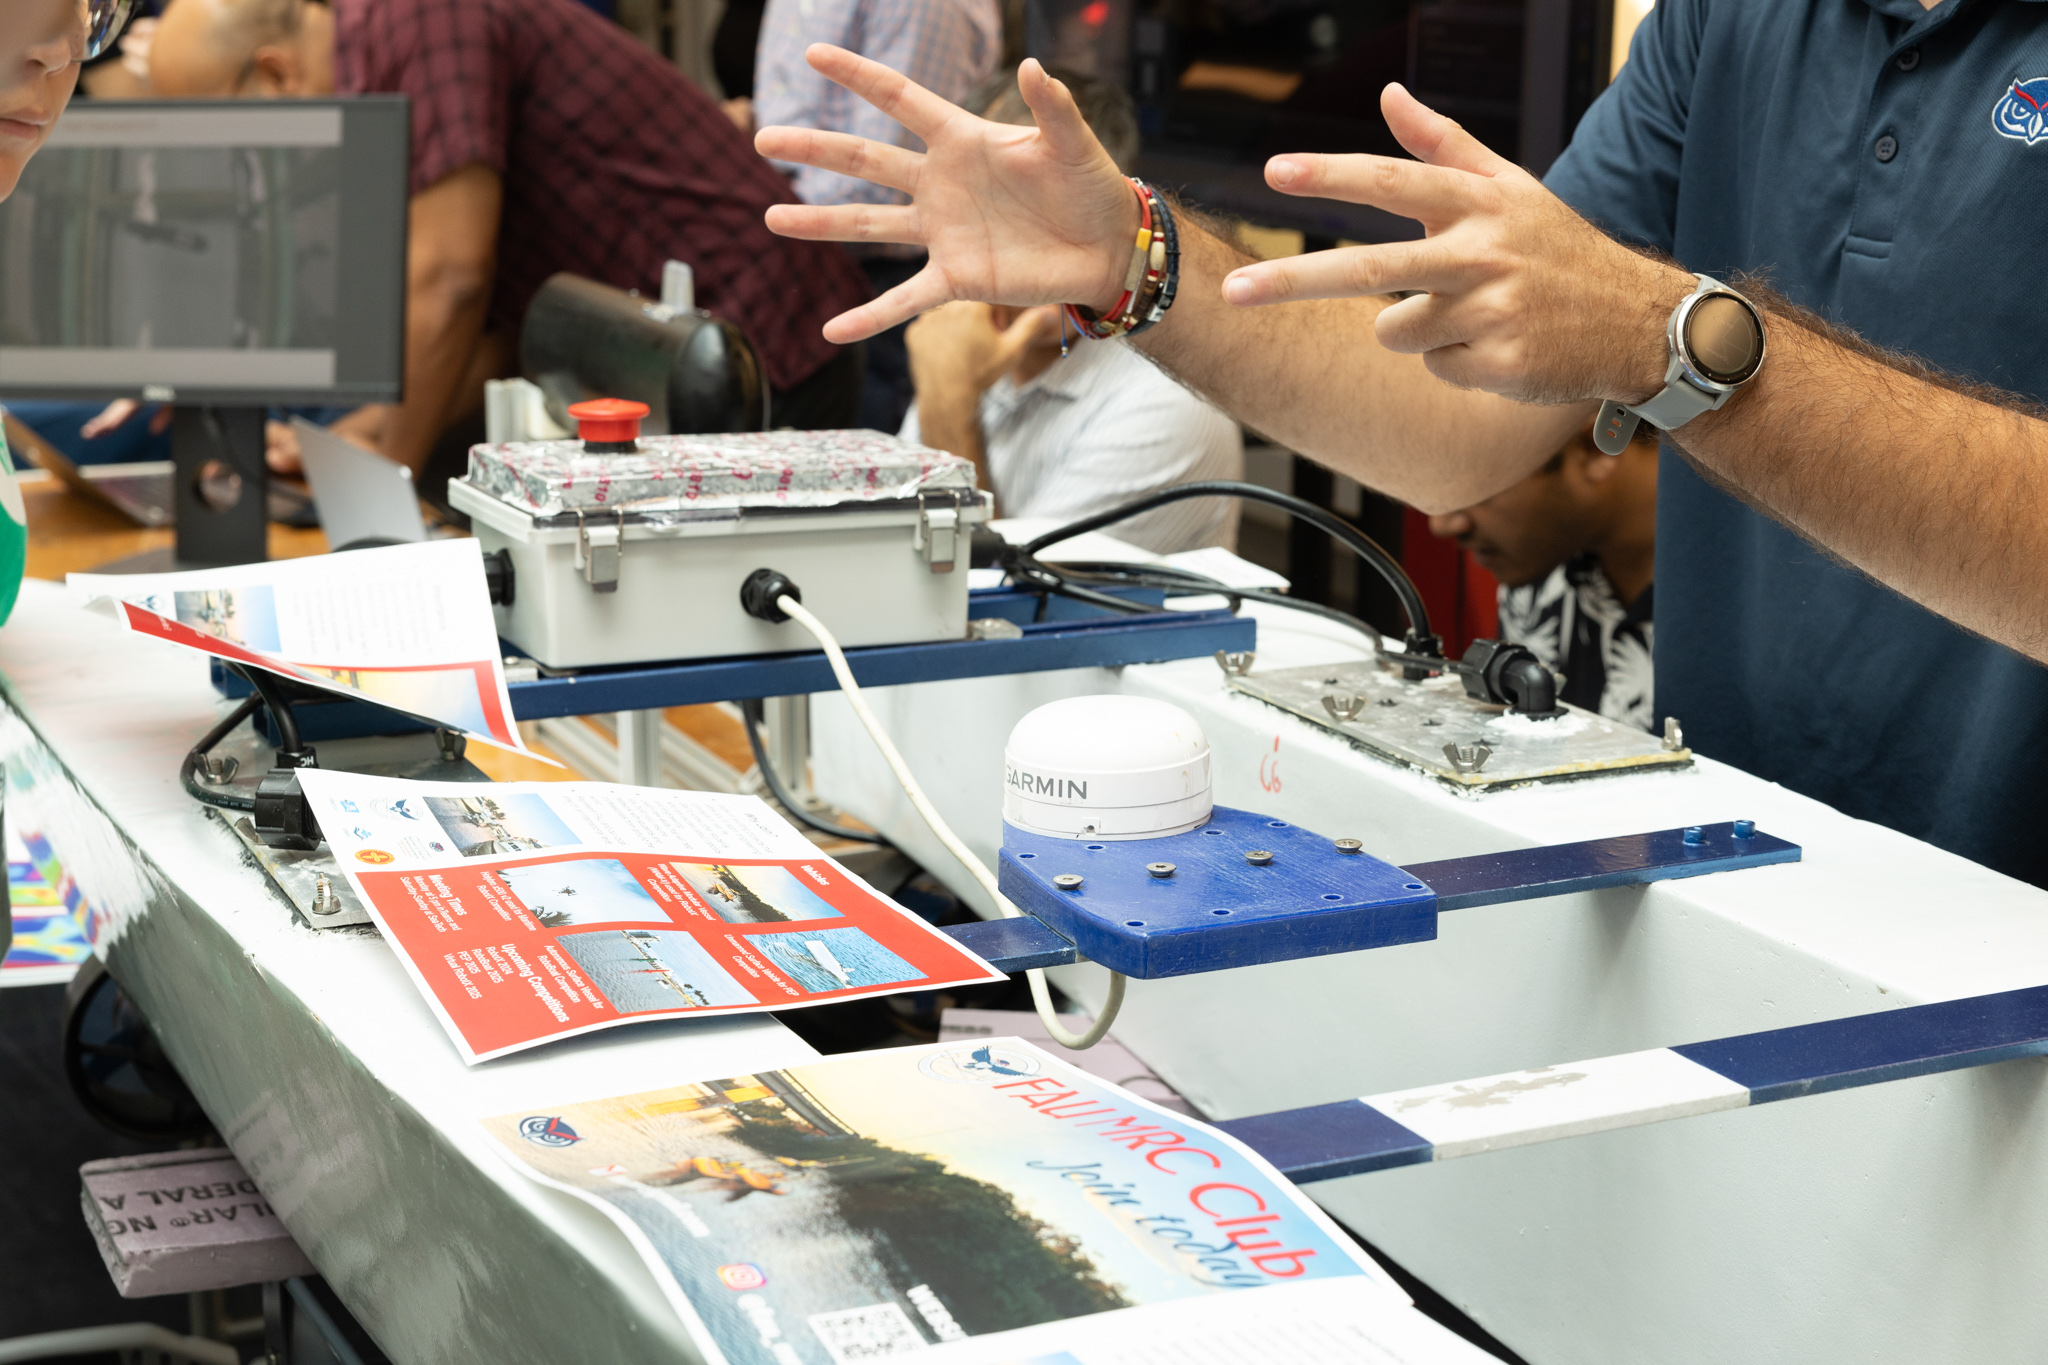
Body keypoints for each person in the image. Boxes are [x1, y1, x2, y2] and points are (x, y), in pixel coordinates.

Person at [752, 15, 2048, 890]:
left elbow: (1638, 335)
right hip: (1751, 862)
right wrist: (1136, 258)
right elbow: (1457, 429)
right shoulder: (1728, 23)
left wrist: (1675, 350)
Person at [145, 0, 872, 493]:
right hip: (671, 354)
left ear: (276, 73)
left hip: (759, 338)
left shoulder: (421, 17)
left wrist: (378, 486)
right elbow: (493, 327)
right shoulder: (378, 74)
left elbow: (452, 280)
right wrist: (355, 437)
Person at [900, 68, 1240, 553]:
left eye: (1034, 205)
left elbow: (1012, 597)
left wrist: (948, 402)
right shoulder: (973, 340)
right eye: (984, 200)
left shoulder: (1166, 404)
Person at [753, 0, 1000, 432]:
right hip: (796, 238)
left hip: (873, 265)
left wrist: (752, 217)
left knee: (859, 478)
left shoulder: (919, 7)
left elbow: (890, 177)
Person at [1430, 420, 1657, 728]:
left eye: (1474, 483)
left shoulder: (1739, 598)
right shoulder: (1539, 567)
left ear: (1593, 450)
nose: (1441, 523)